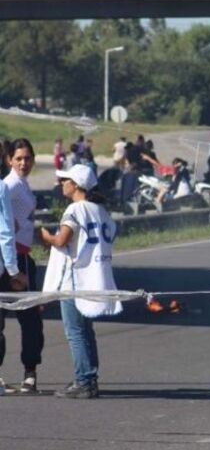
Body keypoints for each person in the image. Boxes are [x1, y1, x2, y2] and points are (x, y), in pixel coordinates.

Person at [41, 165, 122, 399]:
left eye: (65, 180)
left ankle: (84, 380)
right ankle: (89, 377)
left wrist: (47, 237)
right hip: (95, 277)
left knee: (75, 332)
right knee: (86, 330)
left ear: (75, 184)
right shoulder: (101, 211)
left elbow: (62, 239)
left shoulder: (75, 210)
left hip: (74, 279)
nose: (61, 183)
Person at [0, 139, 44, 394]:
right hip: (11, 259)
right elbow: (6, 228)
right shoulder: (9, 185)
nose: (23, 163)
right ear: (9, 161)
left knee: (30, 319)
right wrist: (13, 269)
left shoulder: (24, 186)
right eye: (18, 159)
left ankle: (30, 372)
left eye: (27, 158)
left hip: (23, 255)